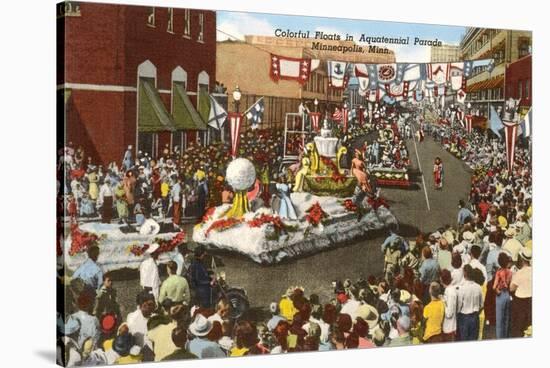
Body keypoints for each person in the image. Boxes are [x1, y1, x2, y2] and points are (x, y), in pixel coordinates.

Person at [456, 264, 483, 341]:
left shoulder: (462, 288)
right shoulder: (478, 287)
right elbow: (481, 305)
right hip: (475, 317)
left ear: (464, 274)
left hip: (464, 317)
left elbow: (459, 305)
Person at [510, 248, 532, 337]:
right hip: (530, 300)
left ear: (522, 259)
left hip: (520, 301)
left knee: (518, 327)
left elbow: (511, 288)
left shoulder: (519, 273)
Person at [493, 252, 512, 338]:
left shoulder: (498, 272)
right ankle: (505, 336)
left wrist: (497, 290)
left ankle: (499, 338)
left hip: (500, 295)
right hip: (507, 294)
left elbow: (494, 287)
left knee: (499, 320)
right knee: (506, 319)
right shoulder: (510, 272)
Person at [441, 269, 458, 341]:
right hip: (448, 327)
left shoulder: (450, 292)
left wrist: (443, 302)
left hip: (449, 328)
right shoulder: (449, 290)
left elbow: (449, 314)